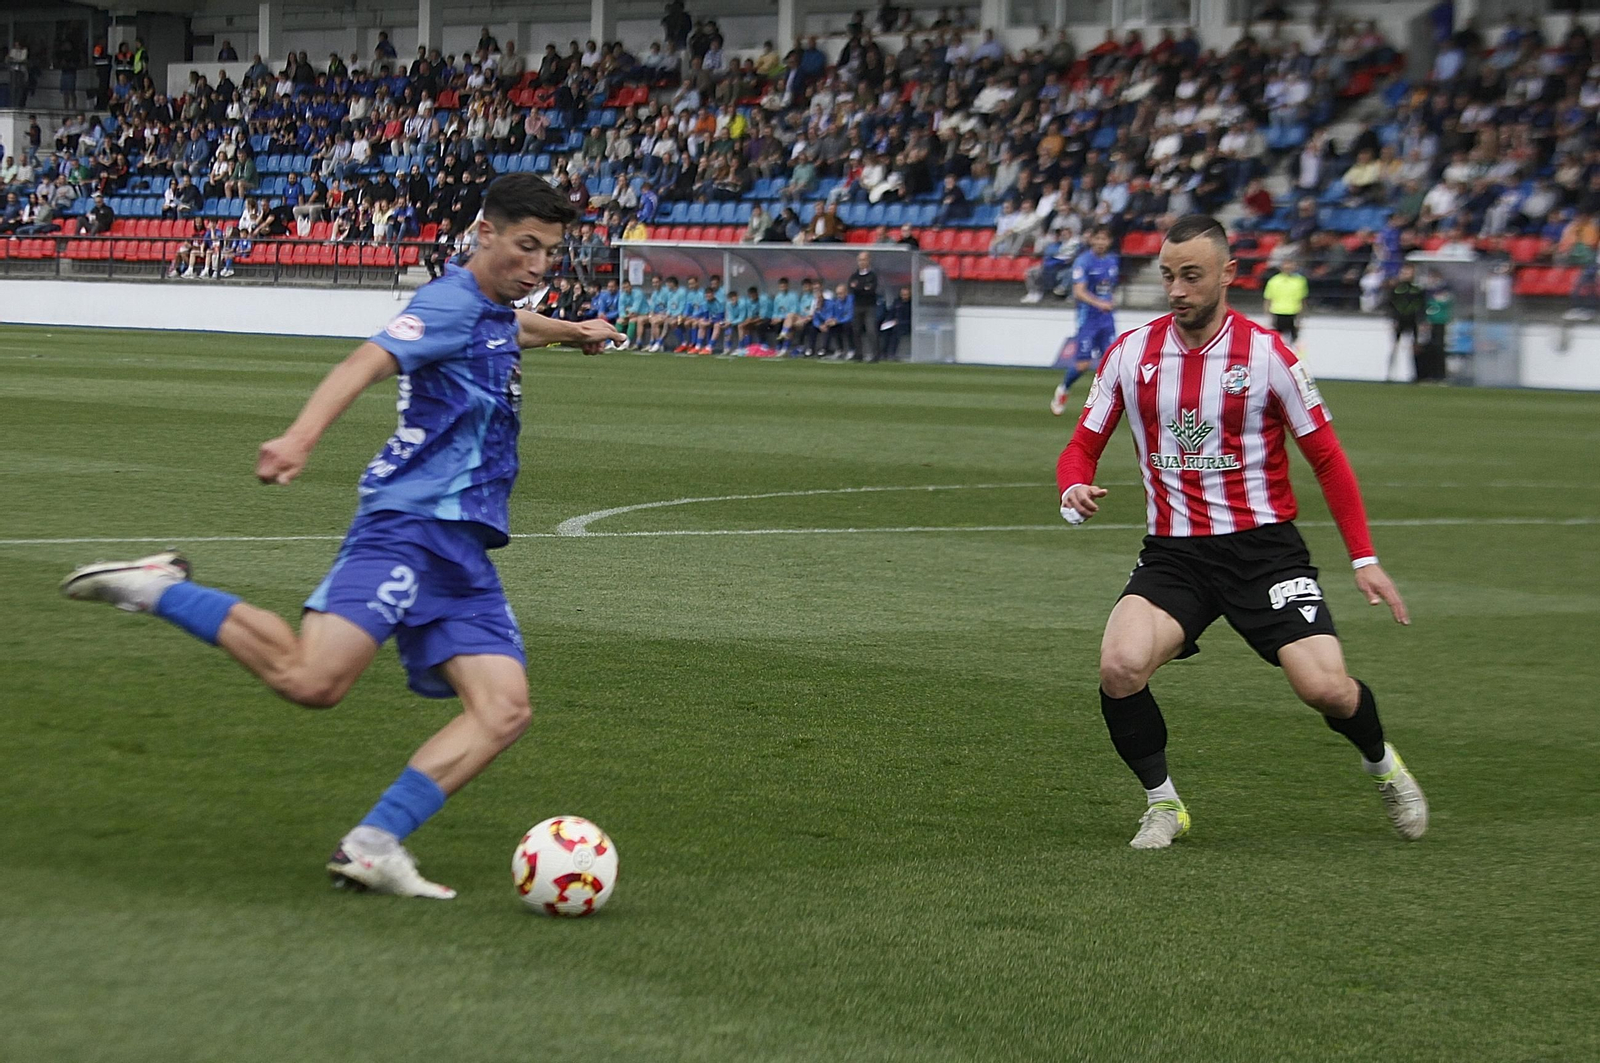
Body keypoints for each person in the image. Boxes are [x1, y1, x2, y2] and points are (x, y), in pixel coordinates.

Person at [61, 175, 626, 899]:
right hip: (410, 524)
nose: (539, 265)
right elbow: (364, 362)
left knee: (505, 709)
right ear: (485, 233)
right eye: (526, 247)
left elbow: (512, 329)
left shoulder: (491, 309)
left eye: (548, 251)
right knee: (313, 680)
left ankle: (372, 844)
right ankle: (163, 589)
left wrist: (575, 331)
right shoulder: (447, 302)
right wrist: (298, 438)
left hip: (461, 548)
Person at [1055, 214, 1426, 851]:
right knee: (1119, 666)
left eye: (1191, 276)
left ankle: (1382, 764)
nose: (1177, 289)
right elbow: (1081, 446)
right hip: (1175, 557)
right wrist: (1073, 486)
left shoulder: (1269, 356)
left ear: (1228, 274)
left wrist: (1364, 558)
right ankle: (1163, 805)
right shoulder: (1129, 354)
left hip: (1266, 554)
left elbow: (1329, 459)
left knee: (1327, 689)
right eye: (1168, 276)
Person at [1051, 226, 1120, 415]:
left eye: (1104, 239)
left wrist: (1109, 301)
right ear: (1092, 240)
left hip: (1106, 319)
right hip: (1088, 319)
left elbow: (1107, 287)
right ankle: (1063, 389)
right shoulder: (1084, 261)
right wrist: (1100, 303)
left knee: (1113, 362)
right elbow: (1079, 291)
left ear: (1109, 241)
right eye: (1097, 238)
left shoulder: (1112, 261)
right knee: (1083, 364)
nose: (1100, 242)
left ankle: (1107, 404)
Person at [1385, 264, 1425, 382]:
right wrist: (1393, 320)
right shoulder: (1396, 289)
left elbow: (1421, 306)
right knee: (1394, 346)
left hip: (1412, 320)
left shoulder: (1417, 289)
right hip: (1400, 320)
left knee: (1413, 348)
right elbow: (1391, 306)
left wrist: (1422, 321)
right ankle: (1390, 374)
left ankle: (1413, 375)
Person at [1263, 259, 1309, 349]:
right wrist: (1268, 316)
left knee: (1294, 341)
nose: (1288, 267)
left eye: (1291, 264)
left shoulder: (1300, 281)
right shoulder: (1274, 281)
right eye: (1286, 265)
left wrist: (1302, 317)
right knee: (1276, 341)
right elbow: (1268, 299)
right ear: (1281, 267)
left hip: (1293, 313)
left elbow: (1303, 299)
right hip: (1277, 312)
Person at [848, 251, 881, 363]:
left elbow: (871, 290)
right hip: (857, 306)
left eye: (864, 260)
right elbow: (851, 289)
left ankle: (875, 355)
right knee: (856, 330)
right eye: (860, 260)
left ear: (868, 261)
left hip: (869, 306)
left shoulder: (872, 276)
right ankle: (859, 354)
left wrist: (859, 288)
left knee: (871, 330)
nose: (861, 262)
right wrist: (863, 288)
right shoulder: (854, 275)